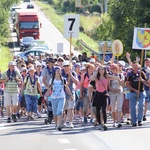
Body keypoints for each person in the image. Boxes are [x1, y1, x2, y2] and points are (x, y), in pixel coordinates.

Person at [47, 66, 73, 131]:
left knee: (60, 111)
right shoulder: (52, 80)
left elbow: (66, 88)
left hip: (61, 97)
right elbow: (49, 88)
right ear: (55, 72)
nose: (59, 72)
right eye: (57, 71)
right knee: (55, 112)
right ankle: (56, 124)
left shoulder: (63, 79)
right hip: (53, 97)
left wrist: (71, 95)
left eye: (60, 71)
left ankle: (60, 124)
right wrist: (46, 95)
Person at [126, 61, 148, 126]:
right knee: (133, 107)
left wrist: (142, 80)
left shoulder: (142, 73)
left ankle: (140, 120)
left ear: (138, 66)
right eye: (134, 66)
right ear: (132, 67)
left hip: (141, 92)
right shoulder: (130, 74)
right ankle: (134, 121)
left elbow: (147, 83)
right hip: (133, 92)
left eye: (136, 66)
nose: (135, 67)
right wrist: (135, 90)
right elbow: (127, 85)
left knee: (141, 106)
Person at [62, 61, 78, 128]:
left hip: (71, 92)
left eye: (67, 66)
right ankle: (63, 121)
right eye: (65, 66)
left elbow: (77, 82)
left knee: (71, 108)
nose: (66, 67)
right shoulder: (61, 73)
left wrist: (71, 75)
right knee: (64, 109)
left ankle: (70, 122)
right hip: (63, 93)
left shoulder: (73, 73)